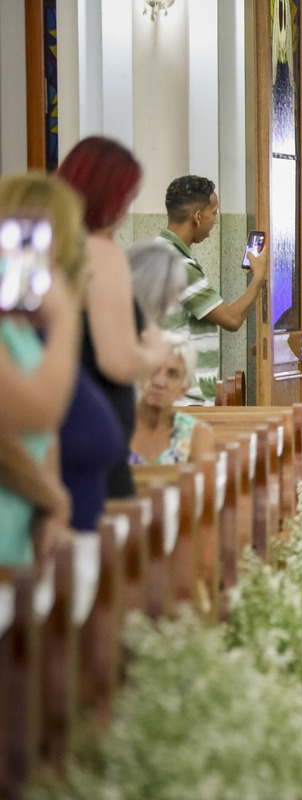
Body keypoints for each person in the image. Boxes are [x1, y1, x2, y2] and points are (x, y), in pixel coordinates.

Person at [56, 136, 169, 501]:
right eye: (127, 197)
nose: (127, 209)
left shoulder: (51, 249)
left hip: (55, 418)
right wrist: (154, 352)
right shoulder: (100, 253)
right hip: (94, 424)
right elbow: (118, 361)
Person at [0, 174, 89, 564]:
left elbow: (44, 436)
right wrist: (65, 316)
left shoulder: (16, 325)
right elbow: (40, 412)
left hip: (17, 540)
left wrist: (49, 504)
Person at [158, 175, 268, 404]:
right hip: (185, 400)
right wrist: (259, 277)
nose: (216, 221)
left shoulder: (157, 251)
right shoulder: (180, 265)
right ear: (198, 217)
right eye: (214, 213)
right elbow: (232, 319)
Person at [130, 338, 214, 465]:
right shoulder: (116, 426)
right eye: (153, 370)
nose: (160, 382)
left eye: (172, 374)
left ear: (184, 389)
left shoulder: (197, 434)